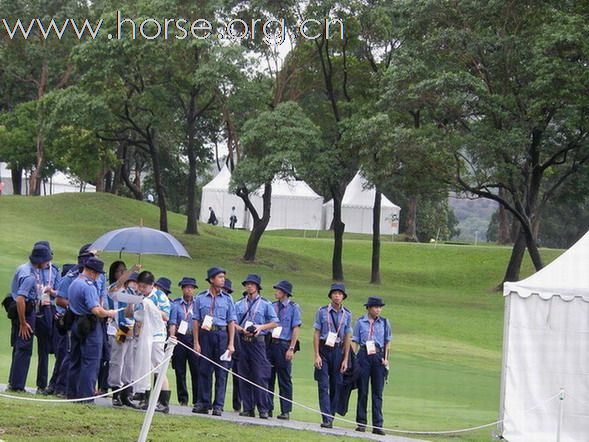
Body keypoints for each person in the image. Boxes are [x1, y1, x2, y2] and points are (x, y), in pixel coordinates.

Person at [66, 257, 117, 401]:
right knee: (91, 361)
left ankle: (72, 393)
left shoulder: (75, 283)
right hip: (89, 325)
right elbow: (96, 310)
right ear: (93, 272)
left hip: (76, 322)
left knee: (75, 360)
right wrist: (109, 313)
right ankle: (86, 395)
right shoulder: (88, 286)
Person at [7, 244, 54, 392]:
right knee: (24, 348)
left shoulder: (24, 268)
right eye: (46, 260)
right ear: (40, 260)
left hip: (23, 310)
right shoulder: (29, 276)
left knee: (20, 348)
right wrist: (23, 323)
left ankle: (13, 382)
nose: (48, 263)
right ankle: (17, 386)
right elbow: (21, 299)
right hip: (25, 312)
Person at [192, 267, 236, 416]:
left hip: (222, 335)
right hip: (205, 334)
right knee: (204, 369)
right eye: (219, 277)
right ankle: (204, 403)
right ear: (211, 279)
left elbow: (231, 322)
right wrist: (196, 342)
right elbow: (196, 321)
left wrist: (231, 343)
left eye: (223, 277)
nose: (223, 279)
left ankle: (218, 405)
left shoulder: (228, 299)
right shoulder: (200, 298)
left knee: (221, 371)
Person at [234, 274, 279, 419]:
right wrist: (241, 329)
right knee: (244, 374)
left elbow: (275, 322)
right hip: (242, 340)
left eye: (252, 284)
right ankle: (247, 407)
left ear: (257, 287)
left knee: (260, 375)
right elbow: (232, 321)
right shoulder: (239, 304)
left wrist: (261, 327)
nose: (249, 286)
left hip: (258, 341)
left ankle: (263, 408)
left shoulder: (266, 304)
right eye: (247, 284)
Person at [129, 270, 172, 413]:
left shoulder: (160, 296)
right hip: (142, 336)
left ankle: (163, 401)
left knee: (158, 367)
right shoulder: (139, 296)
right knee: (143, 367)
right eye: (139, 286)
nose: (141, 290)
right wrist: (132, 302)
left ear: (151, 285)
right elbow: (130, 314)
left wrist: (151, 307)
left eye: (144, 287)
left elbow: (166, 316)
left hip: (156, 336)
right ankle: (144, 398)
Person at [313, 283, 352, 428]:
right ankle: (326, 417)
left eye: (340, 294)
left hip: (338, 350)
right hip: (324, 348)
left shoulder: (347, 314)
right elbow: (316, 333)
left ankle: (331, 415)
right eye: (335, 293)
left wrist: (346, 358)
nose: (337, 296)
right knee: (323, 384)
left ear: (343, 297)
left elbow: (347, 337)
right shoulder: (322, 311)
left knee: (336, 384)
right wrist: (316, 354)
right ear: (330, 296)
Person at [353, 297, 391, 436]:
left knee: (378, 392)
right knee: (362, 390)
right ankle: (361, 423)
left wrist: (386, 359)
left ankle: (378, 424)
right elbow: (355, 341)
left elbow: (388, 342)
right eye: (375, 307)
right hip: (363, 355)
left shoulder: (385, 323)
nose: (378, 310)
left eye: (380, 307)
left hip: (378, 356)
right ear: (368, 308)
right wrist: (353, 358)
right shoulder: (360, 322)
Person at [107, 263, 141, 408]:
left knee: (129, 362)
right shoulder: (113, 289)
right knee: (118, 359)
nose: (123, 273)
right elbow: (120, 283)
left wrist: (131, 306)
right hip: (119, 328)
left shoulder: (131, 292)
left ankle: (126, 392)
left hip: (130, 328)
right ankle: (115, 392)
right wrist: (132, 270)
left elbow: (131, 313)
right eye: (120, 271)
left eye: (124, 270)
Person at [267, 280, 301, 420]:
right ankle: (267, 407)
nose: (275, 292)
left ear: (285, 293)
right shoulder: (272, 306)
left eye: (278, 290)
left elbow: (296, 328)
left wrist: (291, 348)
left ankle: (285, 410)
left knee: (284, 378)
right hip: (270, 344)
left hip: (284, 344)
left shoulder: (293, 308)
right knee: (268, 376)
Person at [33, 241, 61, 395]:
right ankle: (41, 384)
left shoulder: (55, 270)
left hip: (49, 308)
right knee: (42, 349)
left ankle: (56, 383)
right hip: (36, 307)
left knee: (57, 347)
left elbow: (60, 292)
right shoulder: (33, 270)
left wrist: (51, 291)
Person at [169, 277, 199, 407]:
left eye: (191, 288)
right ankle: (183, 398)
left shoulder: (197, 304)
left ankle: (197, 399)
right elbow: (173, 322)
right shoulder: (176, 304)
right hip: (181, 338)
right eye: (187, 287)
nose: (189, 290)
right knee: (180, 370)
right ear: (182, 289)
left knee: (196, 370)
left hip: (193, 338)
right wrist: (172, 336)